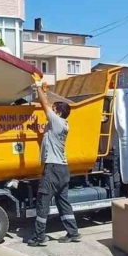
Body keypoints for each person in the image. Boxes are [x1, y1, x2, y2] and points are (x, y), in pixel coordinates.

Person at [28, 78, 81, 246]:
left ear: (57, 113)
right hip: (62, 169)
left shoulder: (57, 121)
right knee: (62, 201)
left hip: (53, 169)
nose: (51, 109)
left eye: (54, 108)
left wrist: (38, 87)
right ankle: (73, 232)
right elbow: (45, 134)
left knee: (43, 201)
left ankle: (39, 236)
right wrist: (35, 129)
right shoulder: (60, 125)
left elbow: (44, 104)